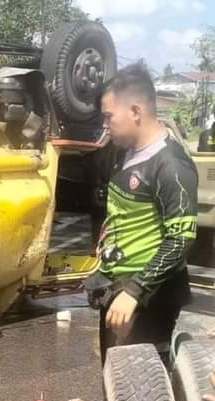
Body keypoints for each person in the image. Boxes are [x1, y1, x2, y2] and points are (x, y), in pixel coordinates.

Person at [86, 64, 198, 365]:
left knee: (142, 397)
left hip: (148, 298)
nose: (106, 125)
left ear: (135, 111)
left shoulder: (170, 165)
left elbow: (180, 239)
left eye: (109, 116)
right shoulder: (128, 154)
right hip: (119, 291)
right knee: (116, 384)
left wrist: (135, 291)